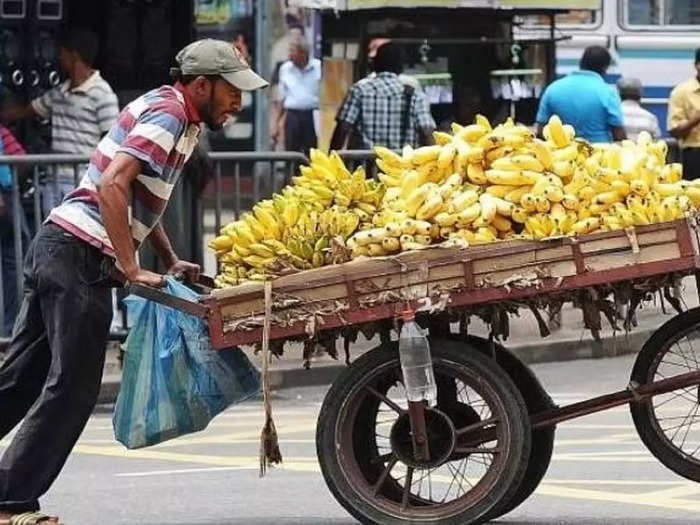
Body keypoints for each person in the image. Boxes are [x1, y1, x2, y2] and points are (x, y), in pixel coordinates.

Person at [0, 38, 268, 524]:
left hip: (60, 244)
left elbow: (141, 196)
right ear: (202, 85)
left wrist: (166, 257)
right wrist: (129, 266)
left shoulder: (177, 117)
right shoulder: (169, 117)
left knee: (21, 379)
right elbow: (112, 185)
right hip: (78, 253)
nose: (238, 104)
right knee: (74, 387)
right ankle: (10, 499)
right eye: (232, 92)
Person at [1, 28, 120, 217]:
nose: (58, 57)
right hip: (55, 181)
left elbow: (114, 141)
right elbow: (25, 112)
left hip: (84, 180)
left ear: (73, 56)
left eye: (61, 52)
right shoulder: (59, 93)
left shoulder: (103, 95)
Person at [331, 41, 436, 150]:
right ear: (400, 67)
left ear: (375, 64)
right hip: (403, 164)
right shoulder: (415, 95)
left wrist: (330, 160)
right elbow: (427, 132)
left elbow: (342, 129)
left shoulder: (359, 91)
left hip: (365, 164)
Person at [536, 46, 626, 143]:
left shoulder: (553, 89)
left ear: (581, 63)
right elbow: (618, 135)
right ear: (605, 67)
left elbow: (541, 130)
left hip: (561, 153)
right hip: (599, 153)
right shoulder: (608, 92)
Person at [271, 35, 320, 154]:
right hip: (292, 116)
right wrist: (276, 123)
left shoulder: (318, 67)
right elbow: (281, 97)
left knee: (312, 153)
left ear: (303, 53)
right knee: (292, 152)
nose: (289, 55)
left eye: (292, 51)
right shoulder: (285, 69)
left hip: (312, 115)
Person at [0, 124, 28, 336]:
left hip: (8, 194)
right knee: (14, 261)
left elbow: (19, 155)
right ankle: (10, 329)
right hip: (6, 195)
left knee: (15, 261)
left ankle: (10, 329)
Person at [668, 48, 700, 180]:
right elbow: (675, 132)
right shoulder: (681, 92)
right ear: (696, 65)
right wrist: (696, 119)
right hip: (694, 154)